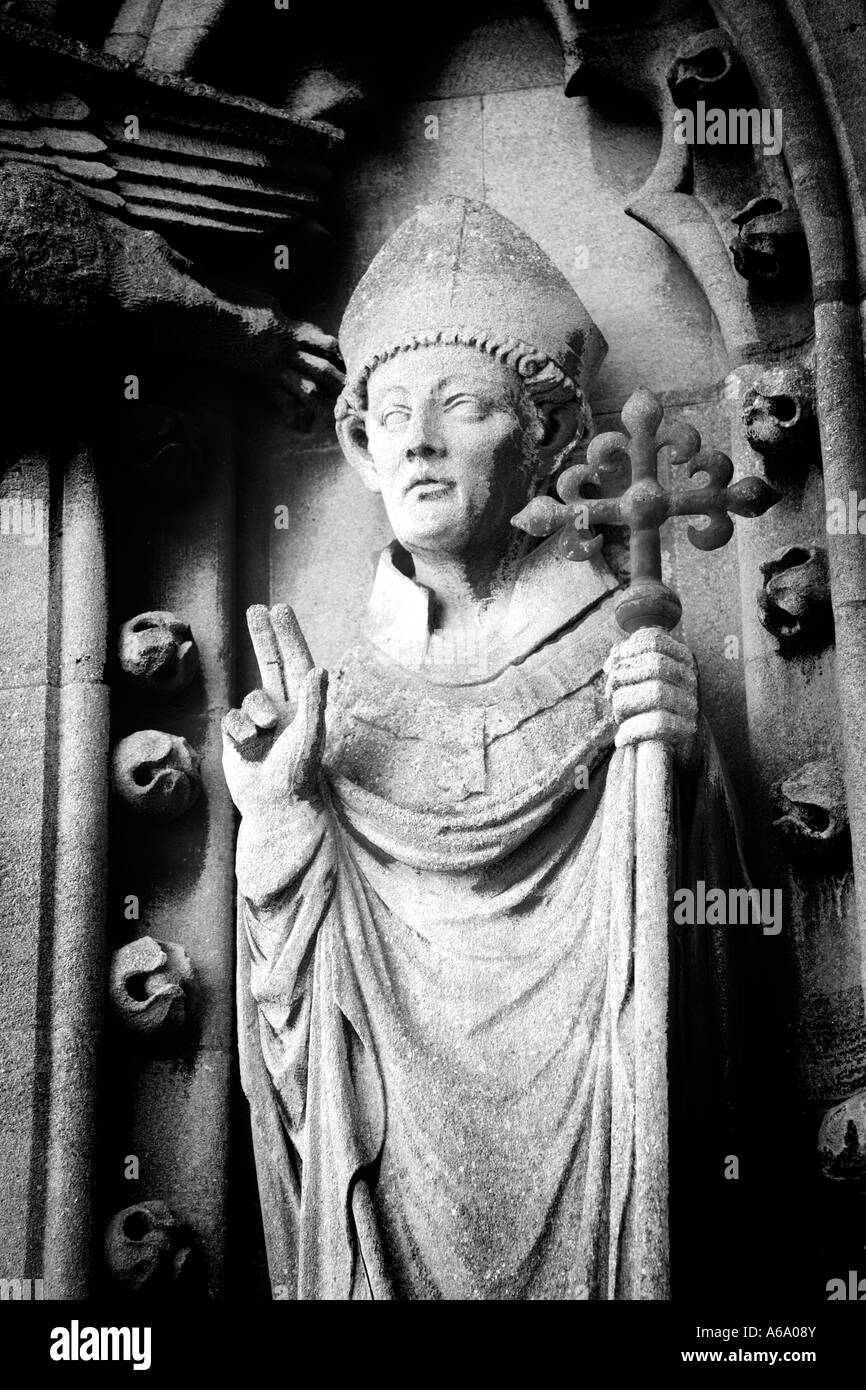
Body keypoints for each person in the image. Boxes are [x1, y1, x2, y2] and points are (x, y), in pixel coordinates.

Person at [222, 197, 744, 1299]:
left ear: (546, 435)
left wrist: (685, 774)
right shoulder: (334, 701)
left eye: (461, 406)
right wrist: (278, 824)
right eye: (391, 413)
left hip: (600, 1173)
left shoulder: (615, 643)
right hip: (391, 1196)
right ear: (359, 448)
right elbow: (296, 1035)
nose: (416, 438)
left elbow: (706, 959)